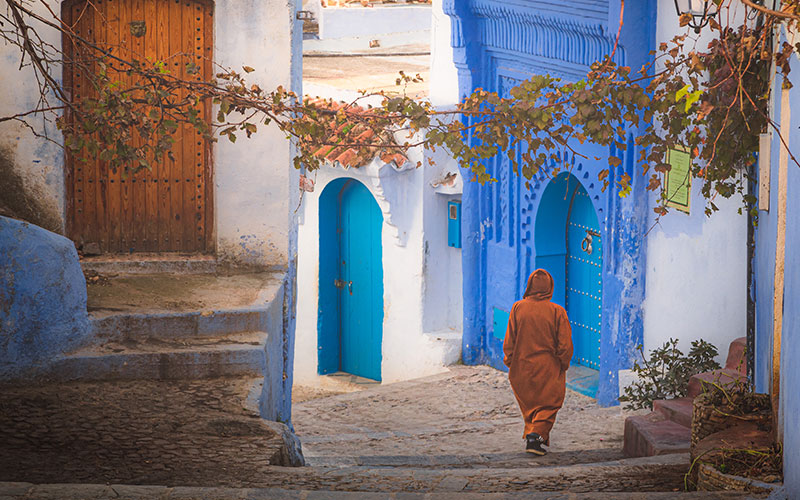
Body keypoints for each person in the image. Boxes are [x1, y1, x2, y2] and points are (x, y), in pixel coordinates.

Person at [503, 269, 573, 456]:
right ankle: (535, 438)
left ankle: (532, 434)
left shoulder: (518, 308)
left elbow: (509, 340)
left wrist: (510, 361)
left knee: (530, 406)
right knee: (548, 406)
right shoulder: (557, 312)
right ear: (549, 287)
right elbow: (565, 345)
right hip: (548, 369)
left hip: (522, 368)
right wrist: (563, 364)